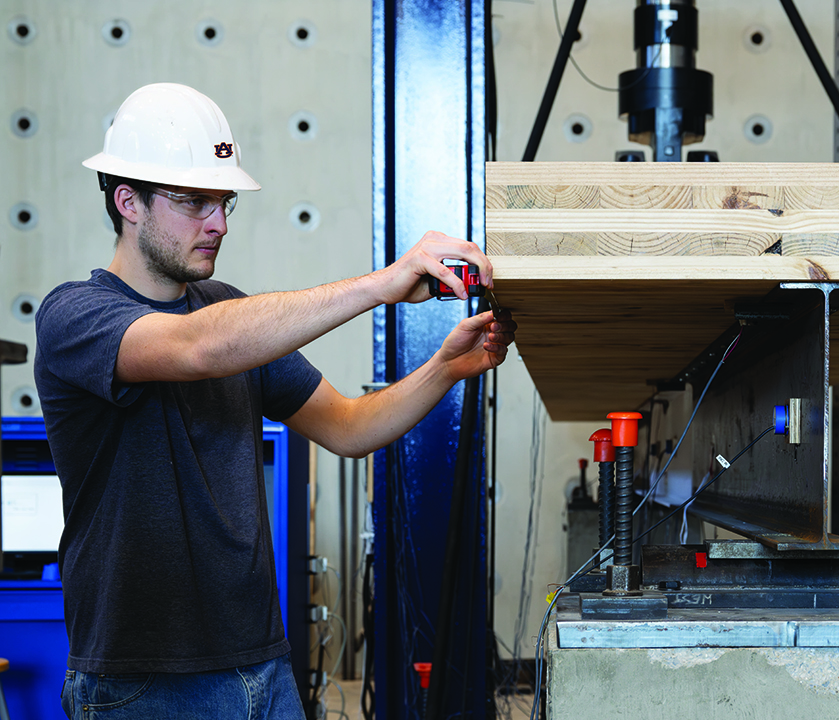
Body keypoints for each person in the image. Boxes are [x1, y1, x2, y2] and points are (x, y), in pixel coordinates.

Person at [33, 83, 515, 719]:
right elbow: (194, 349)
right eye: (195, 202)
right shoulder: (76, 316)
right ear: (129, 201)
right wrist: (380, 285)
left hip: (262, 665)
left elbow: (347, 427)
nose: (219, 223)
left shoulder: (226, 311)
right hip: (143, 683)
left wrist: (446, 368)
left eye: (225, 202)